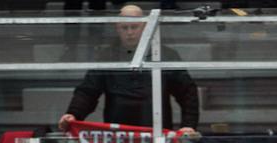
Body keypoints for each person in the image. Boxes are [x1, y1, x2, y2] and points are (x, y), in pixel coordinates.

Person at [57, 4, 199, 135]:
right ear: (117, 28)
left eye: (134, 27)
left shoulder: (166, 55)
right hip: (118, 138)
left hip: (156, 134)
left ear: (145, 27)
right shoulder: (106, 56)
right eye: (125, 28)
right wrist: (74, 113)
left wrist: (188, 124)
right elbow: (88, 91)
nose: (129, 32)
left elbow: (187, 91)